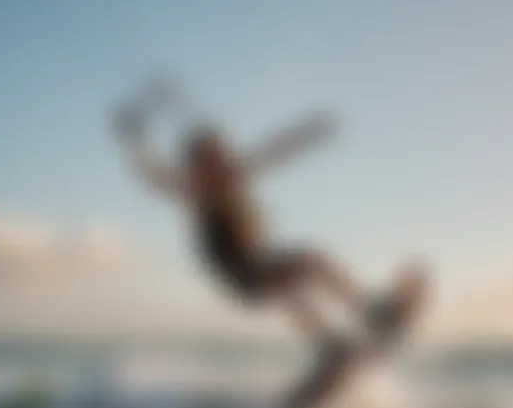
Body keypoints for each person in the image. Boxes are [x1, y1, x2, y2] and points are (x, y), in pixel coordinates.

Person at [114, 102, 424, 361]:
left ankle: (333, 343)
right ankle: (371, 317)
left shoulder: (234, 174)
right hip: (241, 277)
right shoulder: (196, 191)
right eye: (211, 157)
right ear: (198, 163)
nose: (221, 160)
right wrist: (134, 138)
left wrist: (308, 133)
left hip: (259, 265)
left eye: (221, 153)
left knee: (296, 278)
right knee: (308, 263)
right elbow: (154, 175)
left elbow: (276, 150)